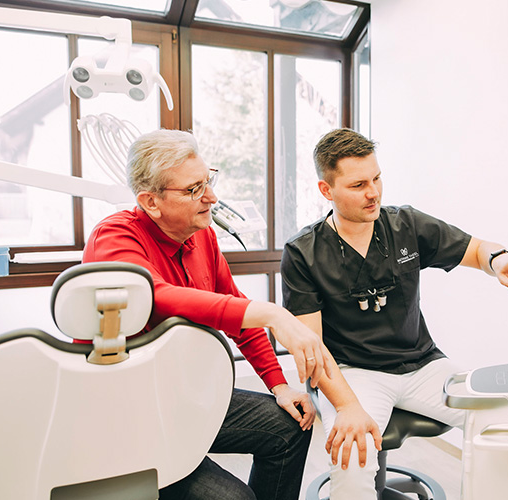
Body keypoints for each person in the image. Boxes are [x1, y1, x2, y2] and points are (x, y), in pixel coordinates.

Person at [82, 129, 379, 500]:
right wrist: (272, 314)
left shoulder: (201, 236)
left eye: (208, 181)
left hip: (184, 398)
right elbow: (154, 297)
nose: (211, 197)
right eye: (193, 190)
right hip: (132, 415)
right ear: (151, 201)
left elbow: (237, 312)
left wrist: (279, 384)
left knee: (292, 425)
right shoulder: (114, 238)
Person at [280, 128, 508, 499]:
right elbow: (312, 351)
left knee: (503, 426)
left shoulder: (406, 225)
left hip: (422, 366)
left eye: (377, 178)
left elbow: (476, 249)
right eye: (358, 185)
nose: (373, 193)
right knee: (352, 457)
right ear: (327, 190)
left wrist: (498, 260)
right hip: (352, 373)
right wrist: (347, 405)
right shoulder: (303, 253)